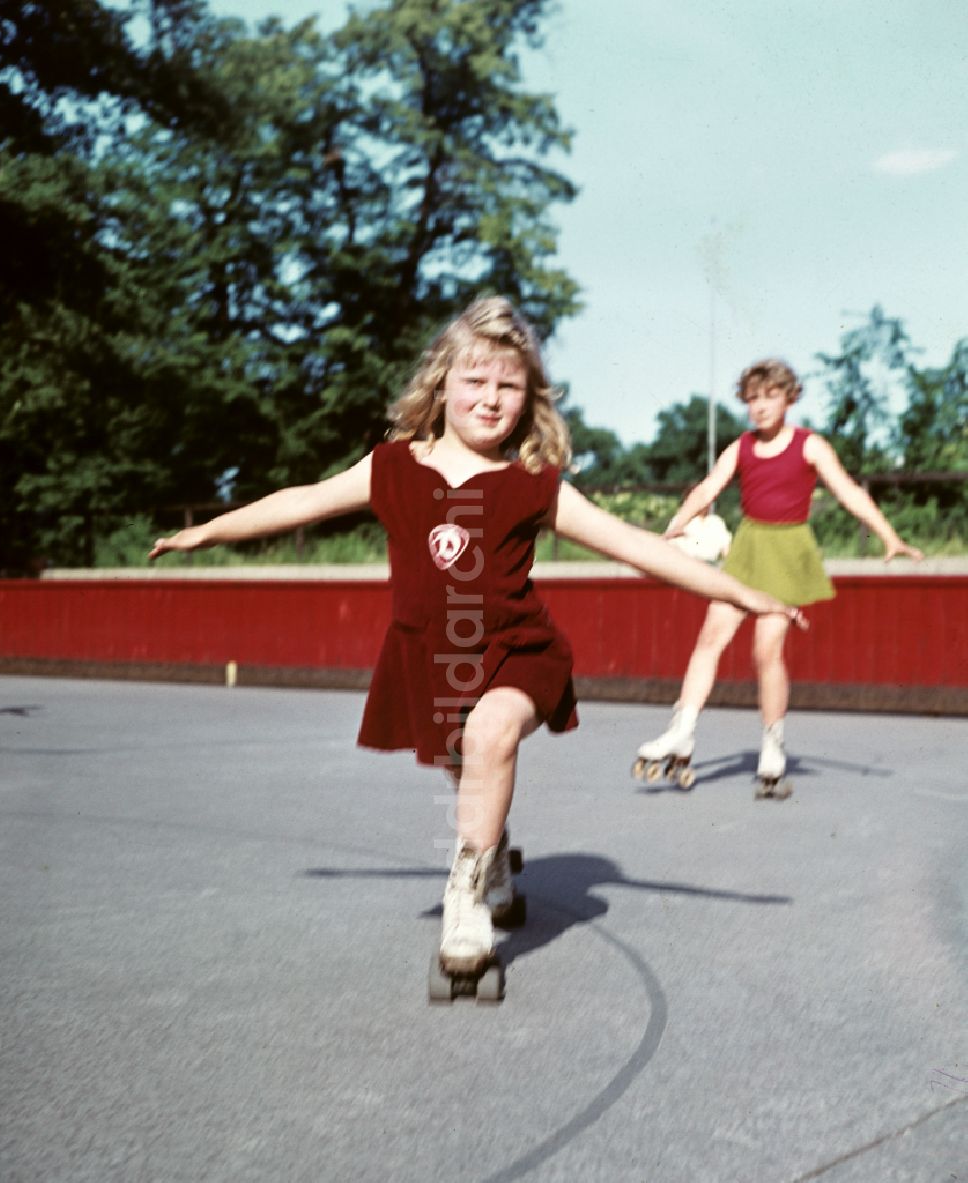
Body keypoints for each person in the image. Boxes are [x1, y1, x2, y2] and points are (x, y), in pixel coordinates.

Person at [149, 299, 806, 982]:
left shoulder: (535, 485)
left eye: (508, 386)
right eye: (475, 381)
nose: (490, 399)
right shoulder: (391, 466)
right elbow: (298, 499)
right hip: (434, 657)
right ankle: (493, 863)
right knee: (469, 772)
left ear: (528, 399)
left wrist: (740, 590)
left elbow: (640, 548)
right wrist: (207, 530)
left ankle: (466, 899)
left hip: (520, 651)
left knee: (490, 734)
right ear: (441, 384)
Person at [634, 357, 922, 799]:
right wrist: (672, 528)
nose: (760, 406)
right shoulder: (741, 447)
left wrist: (889, 536)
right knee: (709, 639)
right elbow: (709, 489)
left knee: (766, 651)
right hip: (747, 551)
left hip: (788, 554)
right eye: (752, 398)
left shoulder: (810, 445)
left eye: (770, 396)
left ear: (789, 397)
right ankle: (682, 731)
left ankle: (772, 747)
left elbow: (846, 491)